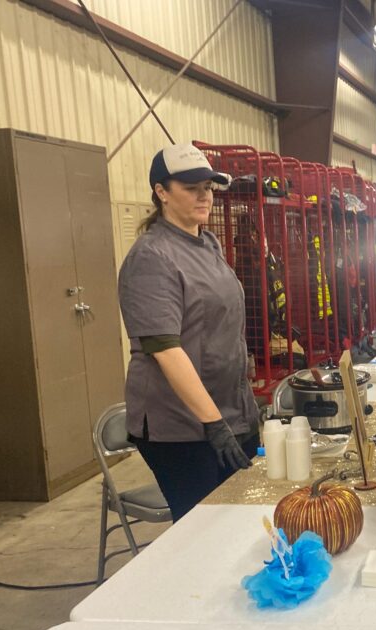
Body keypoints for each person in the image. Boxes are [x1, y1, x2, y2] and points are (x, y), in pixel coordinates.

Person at [118, 143, 260, 522]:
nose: (204, 195)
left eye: (209, 187)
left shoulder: (207, 243)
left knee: (237, 521)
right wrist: (214, 423)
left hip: (231, 410)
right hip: (181, 429)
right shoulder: (152, 257)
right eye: (190, 186)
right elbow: (165, 350)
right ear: (161, 193)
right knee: (202, 532)